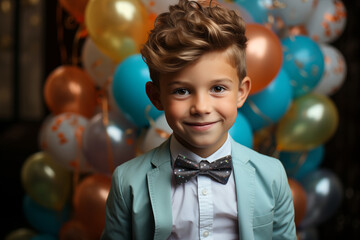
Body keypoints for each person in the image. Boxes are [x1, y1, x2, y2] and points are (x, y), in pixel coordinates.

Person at [101, 0, 296, 239]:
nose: (201, 108)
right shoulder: (128, 182)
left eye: (217, 88)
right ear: (156, 96)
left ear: (241, 92)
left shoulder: (272, 175)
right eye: (182, 91)